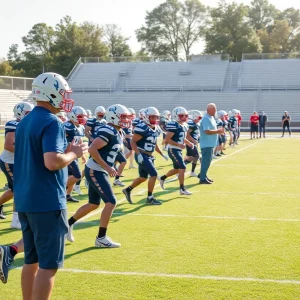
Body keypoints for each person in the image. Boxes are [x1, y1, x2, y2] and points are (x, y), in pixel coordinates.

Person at [13, 72, 88, 300]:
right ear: (52, 93)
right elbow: (52, 162)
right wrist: (73, 154)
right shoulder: (52, 121)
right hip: (46, 201)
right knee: (48, 266)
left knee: (31, 261)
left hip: (26, 199)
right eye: (63, 93)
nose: (65, 97)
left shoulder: (25, 120)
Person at [67, 104, 131, 248]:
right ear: (113, 116)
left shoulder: (118, 131)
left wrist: (116, 162)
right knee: (111, 202)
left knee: (93, 204)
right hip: (95, 169)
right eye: (123, 117)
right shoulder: (108, 129)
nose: (126, 119)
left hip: (99, 170)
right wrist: (107, 166)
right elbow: (92, 148)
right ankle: (101, 238)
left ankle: (67, 225)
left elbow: (111, 150)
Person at [122, 107, 168, 205]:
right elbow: (133, 141)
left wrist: (162, 154)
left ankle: (128, 190)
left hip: (149, 156)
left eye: (156, 117)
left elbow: (154, 143)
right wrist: (138, 154)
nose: (155, 120)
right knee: (154, 175)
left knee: (143, 177)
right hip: (142, 154)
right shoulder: (142, 127)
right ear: (147, 117)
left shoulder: (156, 129)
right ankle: (150, 198)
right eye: (152, 117)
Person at [0, 102, 33, 225]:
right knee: (19, 189)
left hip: (20, 161)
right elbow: (8, 145)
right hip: (10, 161)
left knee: (16, 189)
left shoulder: (27, 124)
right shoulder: (14, 124)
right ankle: (16, 220)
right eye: (29, 113)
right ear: (21, 112)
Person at [158, 107, 194, 195]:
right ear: (176, 116)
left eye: (186, 116)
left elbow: (182, 138)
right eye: (182, 116)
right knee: (183, 167)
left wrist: (189, 143)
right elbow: (167, 139)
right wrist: (179, 145)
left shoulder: (184, 125)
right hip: (172, 149)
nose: (184, 117)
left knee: (177, 169)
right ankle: (182, 189)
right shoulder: (174, 124)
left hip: (178, 149)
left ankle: (162, 178)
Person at [64, 106, 88, 200]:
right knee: (77, 175)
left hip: (75, 155)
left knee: (70, 176)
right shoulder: (67, 126)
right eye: (80, 116)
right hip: (67, 154)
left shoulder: (80, 127)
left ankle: (68, 195)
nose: (82, 119)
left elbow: (80, 140)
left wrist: (82, 155)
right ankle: (59, 190)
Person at [198, 103, 224, 184]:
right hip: (206, 144)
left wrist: (218, 131)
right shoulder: (206, 118)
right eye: (214, 109)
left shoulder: (211, 117)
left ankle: (203, 175)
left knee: (207, 161)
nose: (216, 110)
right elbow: (207, 131)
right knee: (206, 161)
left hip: (210, 143)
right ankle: (202, 178)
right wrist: (218, 131)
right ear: (209, 109)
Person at [184, 110, 202, 176]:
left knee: (193, 157)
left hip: (193, 143)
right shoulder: (191, 124)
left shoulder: (196, 124)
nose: (200, 119)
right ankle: (181, 166)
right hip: (190, 143)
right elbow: (187, 134)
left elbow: (196, 134)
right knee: (197, 156)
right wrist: (193, 141)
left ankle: (190, 170)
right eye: (199, 118)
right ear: (195, 117)